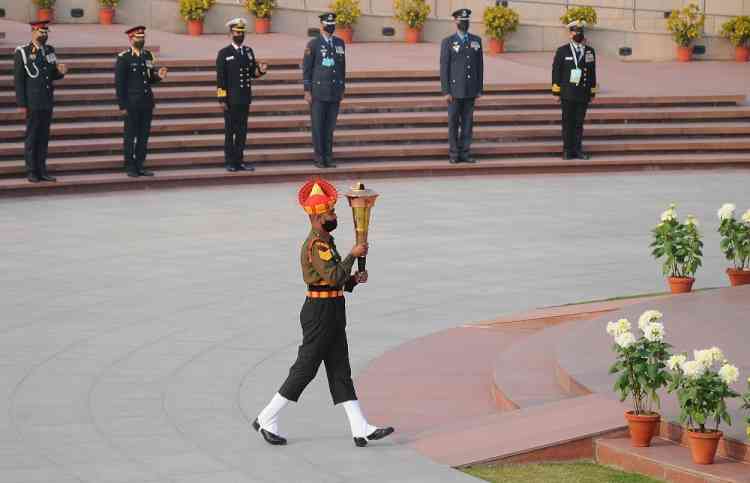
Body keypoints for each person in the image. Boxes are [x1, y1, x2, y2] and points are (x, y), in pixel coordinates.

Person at [254, 178, 394, 448]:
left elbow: (337, 280)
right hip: (320, 313)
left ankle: (360, 427)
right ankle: (266, 417)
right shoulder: (316, 245)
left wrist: (353, 280)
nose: (334, 216)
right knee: (305, 369)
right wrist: (352, 255)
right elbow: (331, 276)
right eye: (330, 213)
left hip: (331, 309)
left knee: (340, 370)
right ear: (318, 217)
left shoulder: (325, 241)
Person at [14, 20, 67, 183]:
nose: (43, 35)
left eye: (45, 32)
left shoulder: (49, 50)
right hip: (32, 101)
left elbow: (51, 74)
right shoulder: (23, 52)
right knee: (32, 136)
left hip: (46, 100)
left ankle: (42, 170)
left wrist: (61, 72)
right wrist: (22, 104)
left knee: (44, 137)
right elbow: (19, 80)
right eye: (40, 32)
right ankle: (31, 170)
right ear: (33, 32)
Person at [216, 18, 267, 172]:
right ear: (231, 33)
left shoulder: (248, 51)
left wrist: (261, 71)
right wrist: (222, 98)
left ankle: (239, 160)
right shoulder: (224, 53)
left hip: (244, 98)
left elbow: (252, 73)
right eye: (237, 32)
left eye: (242, 32)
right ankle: (229, 161)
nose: (240, 35)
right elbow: (220, 78)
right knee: (230, 131)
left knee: (242, 131)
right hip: (230, 99)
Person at [115, 26, 168, 177]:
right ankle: (130, 166)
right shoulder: (124, 58)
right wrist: (122, 105)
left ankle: (140, 164)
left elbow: (149, 78)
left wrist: (159, 76)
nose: (141, 40)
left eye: (143, 37)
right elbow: (119, 84)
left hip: (146, 102)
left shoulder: (148, 56)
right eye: (138, 37)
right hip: (131, 104)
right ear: (131, 39)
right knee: (130, 136)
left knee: (144, 136)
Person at [302, 13, 346, 169]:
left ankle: (328, 157)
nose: (331, 26)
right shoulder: (313, 44)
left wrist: (342, 87)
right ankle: (319, 158)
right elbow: (307, 69)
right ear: (322, 25)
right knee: (318, 127)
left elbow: (342, 67)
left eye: (333, 23)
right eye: (328, 23)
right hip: (318, 92)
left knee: (329, 127)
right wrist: (307, 90)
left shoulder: (340, 43)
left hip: (334, 92)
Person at [440, 8, 483, 164]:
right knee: (453, 123)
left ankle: (465, 153)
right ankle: (454, 154)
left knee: (467, 123)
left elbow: (480, 66)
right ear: (455, 21)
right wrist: (446, 90)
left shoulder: (476, 41)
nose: (465, 22)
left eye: (467, 20)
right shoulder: (448, 42)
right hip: (454, 91)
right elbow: (444, 67)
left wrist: (479, 88)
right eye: (461, 20)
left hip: (471, 89)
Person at [551, 20, 598, 160]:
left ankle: (578, 150)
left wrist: (592, 91)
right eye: (575, 32)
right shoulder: (562, 51)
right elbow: (556, 72)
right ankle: (567, 150)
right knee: (567, 122)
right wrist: (556, 91)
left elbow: (592, 72)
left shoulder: (589, 51)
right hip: (567, 93)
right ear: (570, 34)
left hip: (583, 93)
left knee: (578, 124)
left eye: (580, 32)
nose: (578, 34)